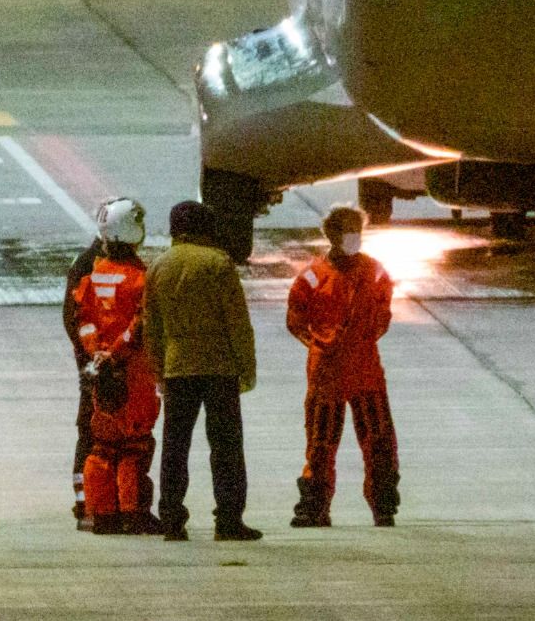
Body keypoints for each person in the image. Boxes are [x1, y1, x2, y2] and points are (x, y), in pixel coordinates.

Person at [143, 200, 262, 542]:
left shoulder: (159, 266)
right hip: (218, 365)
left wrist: (158, 370)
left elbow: (152, 326)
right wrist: (246, 367)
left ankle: (171, 519)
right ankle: (228, 519)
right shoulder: (218, 263)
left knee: (175, 446)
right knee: (225, 447)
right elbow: (238, 323)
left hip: (178, 365)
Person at [286, 204, 400, 527]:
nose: (354, 239)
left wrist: (352, 342)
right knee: (321, 444)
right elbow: (295, 320)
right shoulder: (312, 277)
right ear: (333, 236)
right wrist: (324, 346)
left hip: (362, 372)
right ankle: (315, 506)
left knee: (378, 441)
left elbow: (383, 316)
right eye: (348, 232)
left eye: (357, 232)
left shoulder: (375, 273)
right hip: (330, 375)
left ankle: (383, 504)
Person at [69, 198, 161, 534]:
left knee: (103, 446)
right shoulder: (139, 278)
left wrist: (97, 353)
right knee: (134, 445)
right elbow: (140, 324)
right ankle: (133, 513)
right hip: (132, 373)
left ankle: (102, 513)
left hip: (100, 372)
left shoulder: (94, 276)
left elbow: (84, 322)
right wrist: (117, 352)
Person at [62, 234, 102, 530]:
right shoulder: (94, 266)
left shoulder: (86, 261)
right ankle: (93, 502)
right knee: (96, 429)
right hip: (103, 362)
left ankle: (91, 501)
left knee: (90, 428)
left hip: (93, 361)